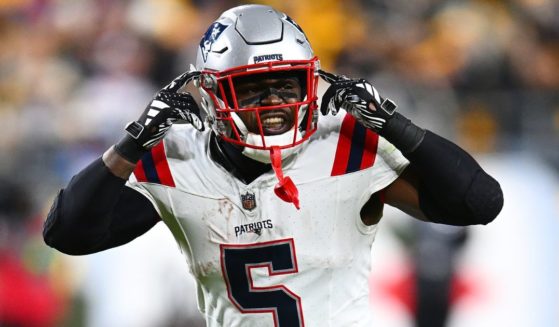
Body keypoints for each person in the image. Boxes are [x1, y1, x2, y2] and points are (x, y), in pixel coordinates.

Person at [43, 4, 503, 326]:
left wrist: (396, 124)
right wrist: (131, 142)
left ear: (311, 83)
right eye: (252, 89)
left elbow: (479, 202)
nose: (274, 104)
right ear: (213, 93)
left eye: (285, 85)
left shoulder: (344, 147)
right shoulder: (180, 158)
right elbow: (67, 234)